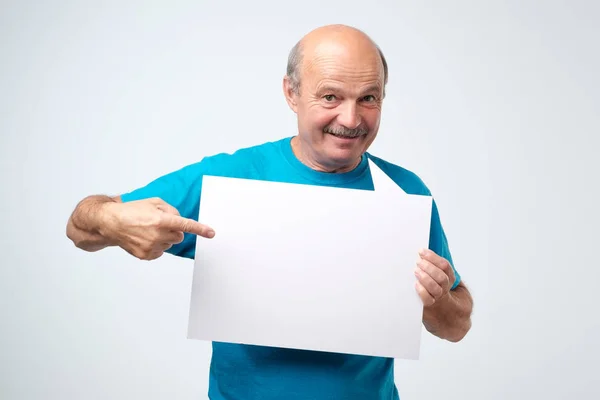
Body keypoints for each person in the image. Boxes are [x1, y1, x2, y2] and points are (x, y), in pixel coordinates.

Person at [66, 24, 473, 400]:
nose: (351, 119)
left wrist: (436, 300)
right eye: (330, 96)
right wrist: (111, 220)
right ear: (291, 93)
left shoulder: (404, 191)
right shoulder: (231, 178)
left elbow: (456, 325)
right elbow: (81, 225)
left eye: (368, 98)